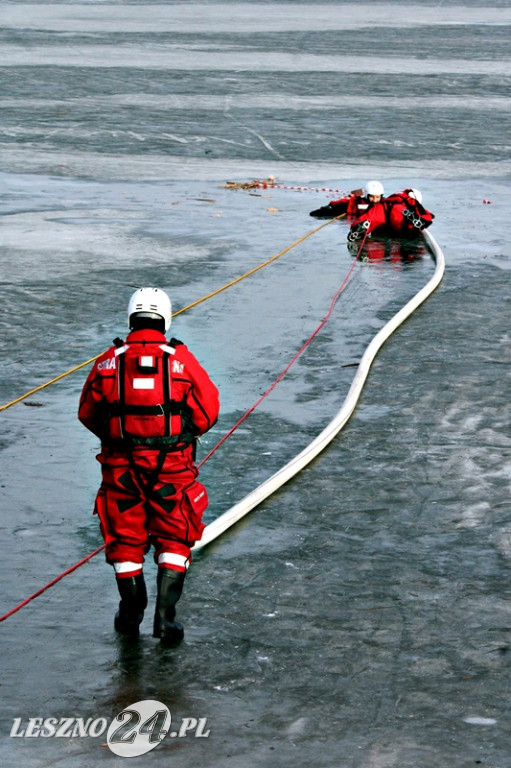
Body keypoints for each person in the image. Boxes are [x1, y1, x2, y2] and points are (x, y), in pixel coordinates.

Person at [78, 287, 220, 646]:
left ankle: (131, 612)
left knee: (124, 540)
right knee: (175, 537)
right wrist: (175, 438)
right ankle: (165, 620)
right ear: (165, 318)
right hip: (172, 471)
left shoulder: (108, 360)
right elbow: (208, 411)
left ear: (131, 318)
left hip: (120, 472)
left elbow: (87, 413)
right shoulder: (181, 360)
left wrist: (119, 439)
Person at [347, 188, 434, 242]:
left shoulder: (390, 199)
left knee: (370, 218)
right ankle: (410, 218)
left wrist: (355, 226)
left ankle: (360, 228)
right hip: (398, 213)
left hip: (384, 211)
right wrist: (426, 218)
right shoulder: (409, 200)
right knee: (402, 220)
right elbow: (425, 214)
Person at [310, 180, 385, 219]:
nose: (375, 200)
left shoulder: (385, 205)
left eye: (377, 197)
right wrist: (329, 207)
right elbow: (343, 203)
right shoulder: (356, 203)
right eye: (372, 197)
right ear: (366, 195)